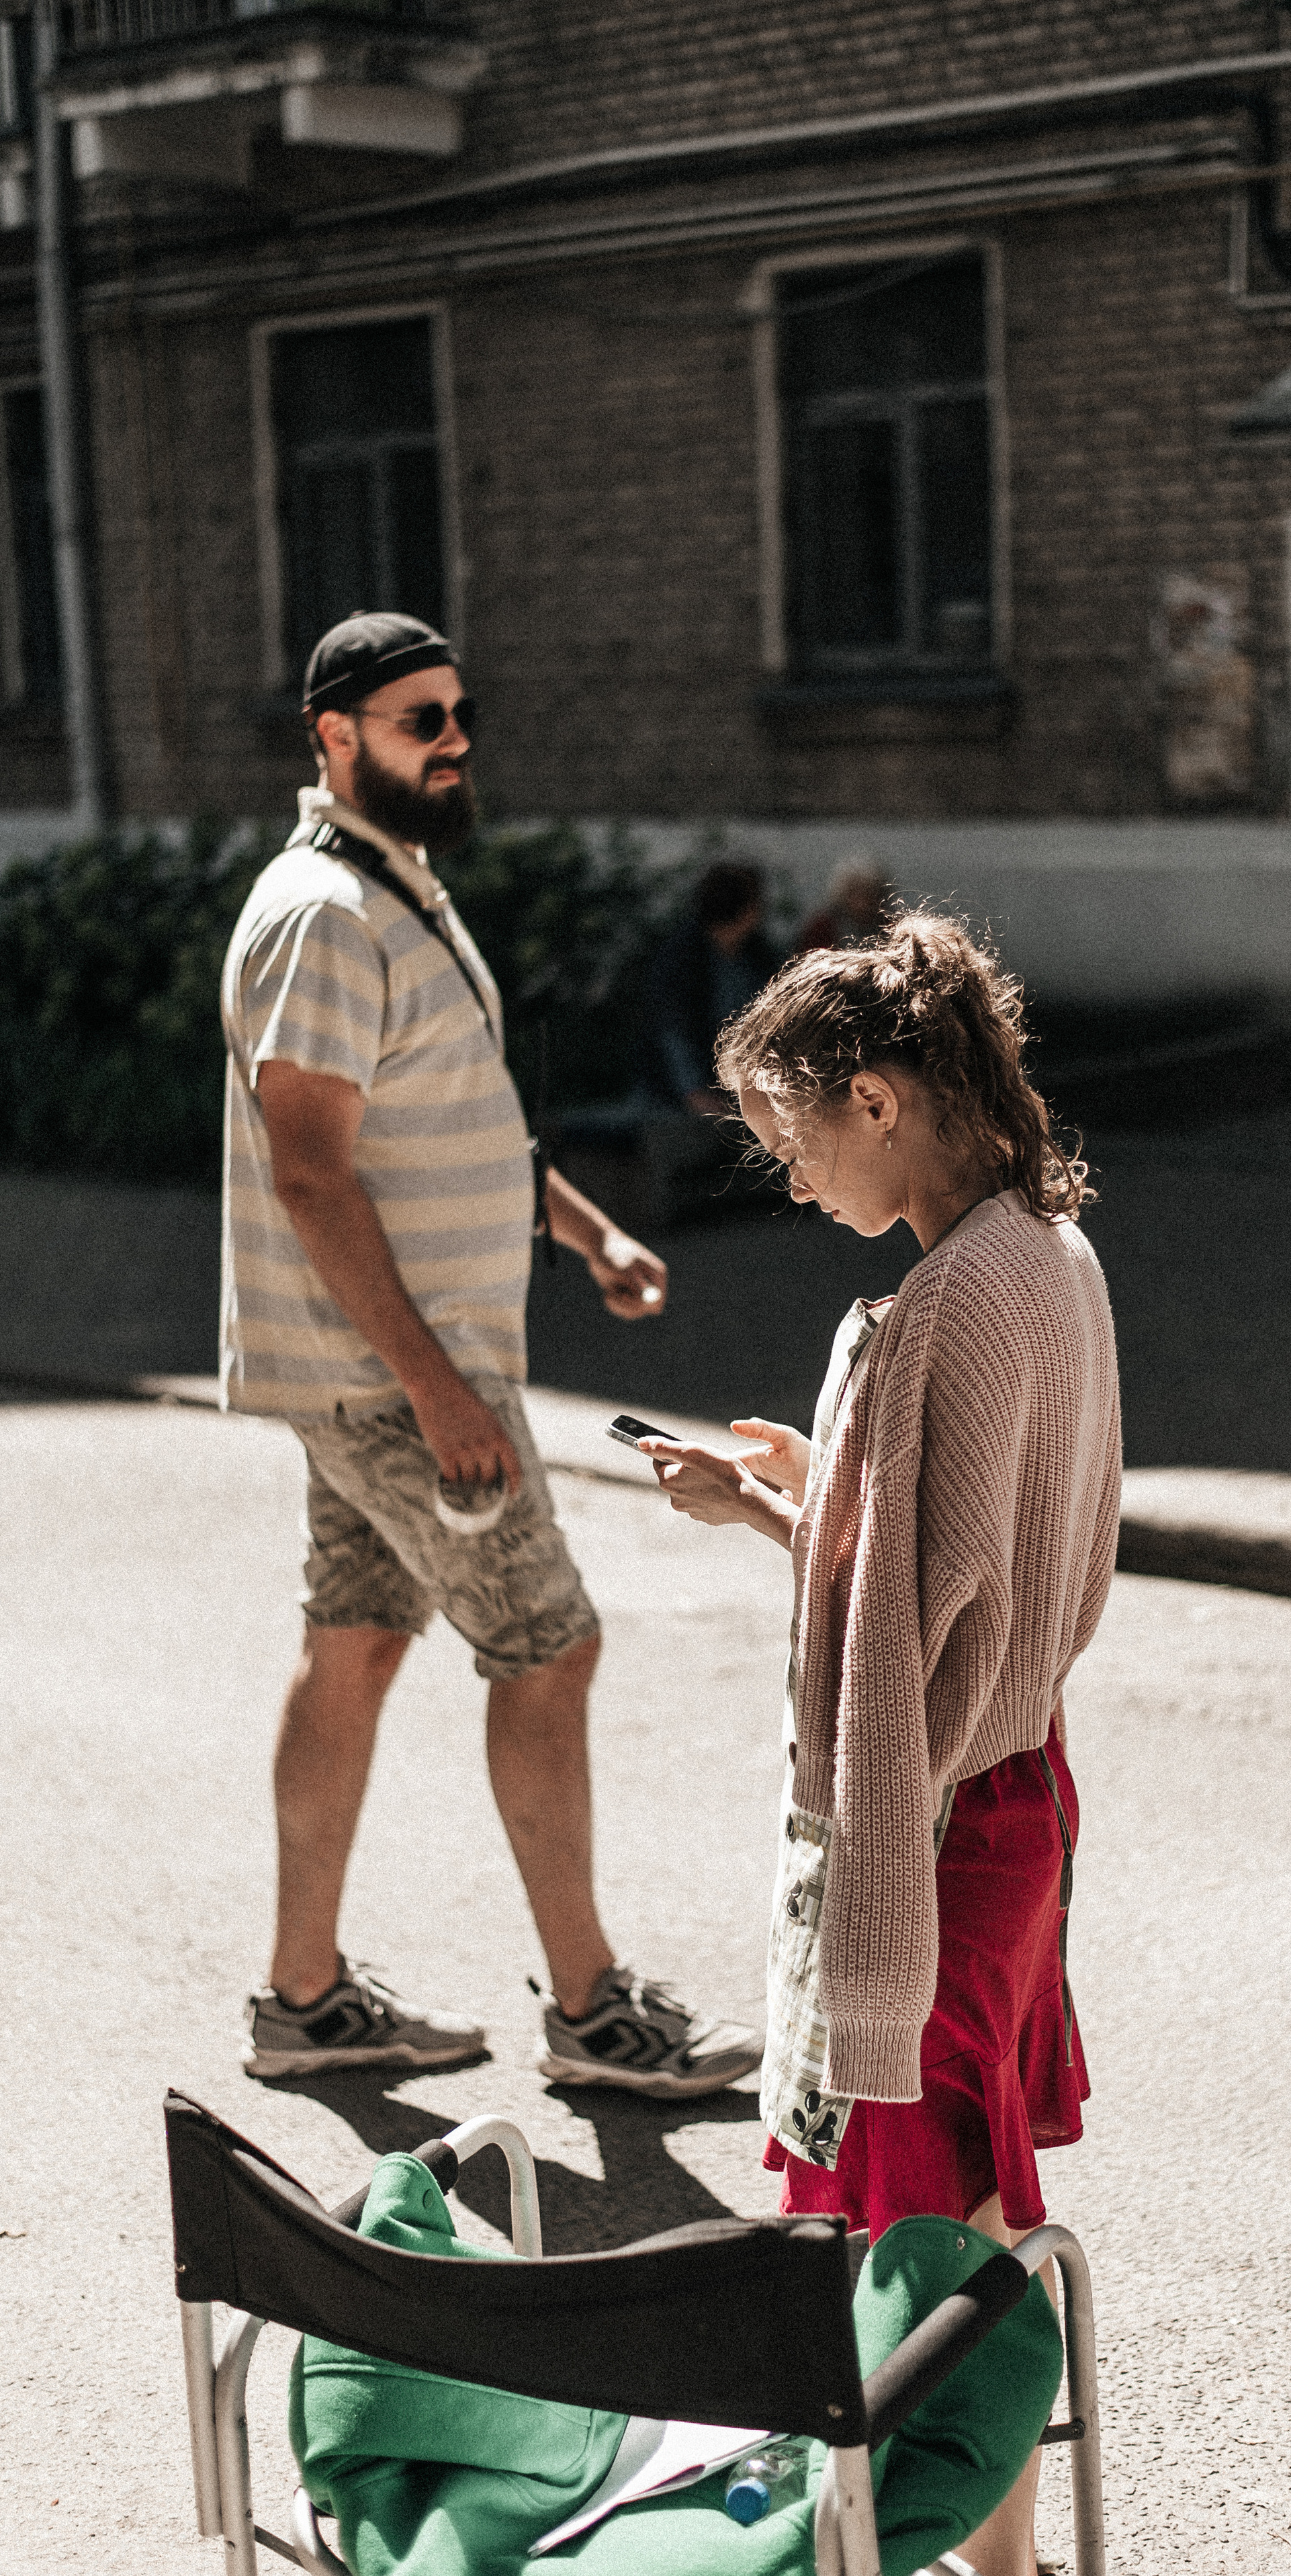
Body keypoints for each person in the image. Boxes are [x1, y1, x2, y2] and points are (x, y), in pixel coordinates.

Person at [220, 610, 762, 2099]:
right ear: (332, 737)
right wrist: (437, 1387)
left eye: (460, 712)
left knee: (359, 1642)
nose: (451, 739)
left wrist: (587, 1236)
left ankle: (304, 1998)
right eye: (416, 718)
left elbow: (450, 1120)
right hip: (401, 1376)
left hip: (383, 1370)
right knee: (551, 1646)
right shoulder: (322, 914)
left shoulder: (394, 893)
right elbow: (315, 1171)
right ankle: (595, 2015)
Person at [641, 915, 1122, 2576]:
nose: (788, 1180)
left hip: (934, 1822)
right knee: (962, 2197)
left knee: (943, 2223)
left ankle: (991, 2564)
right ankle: (1000, 2555)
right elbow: (956, 1576)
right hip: (1019, 1787)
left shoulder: (933, 1308)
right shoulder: (1047, 1252)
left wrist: (809, 1511)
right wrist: (793, 1498)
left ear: (873, 1098)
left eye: (788, 1137)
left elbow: (892, 1642)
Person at [639, 860, 776, 1116]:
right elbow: (671, 1032)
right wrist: (693, 1093)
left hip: (743, 1092)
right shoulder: (680, 958)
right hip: (678, 1103)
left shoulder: (758, 955)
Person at [791, 857, 893, 956]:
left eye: (870, 893)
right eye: (855, 892)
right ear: (844, 894)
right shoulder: (823, 928)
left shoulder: (889, 927)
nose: (863, 901)